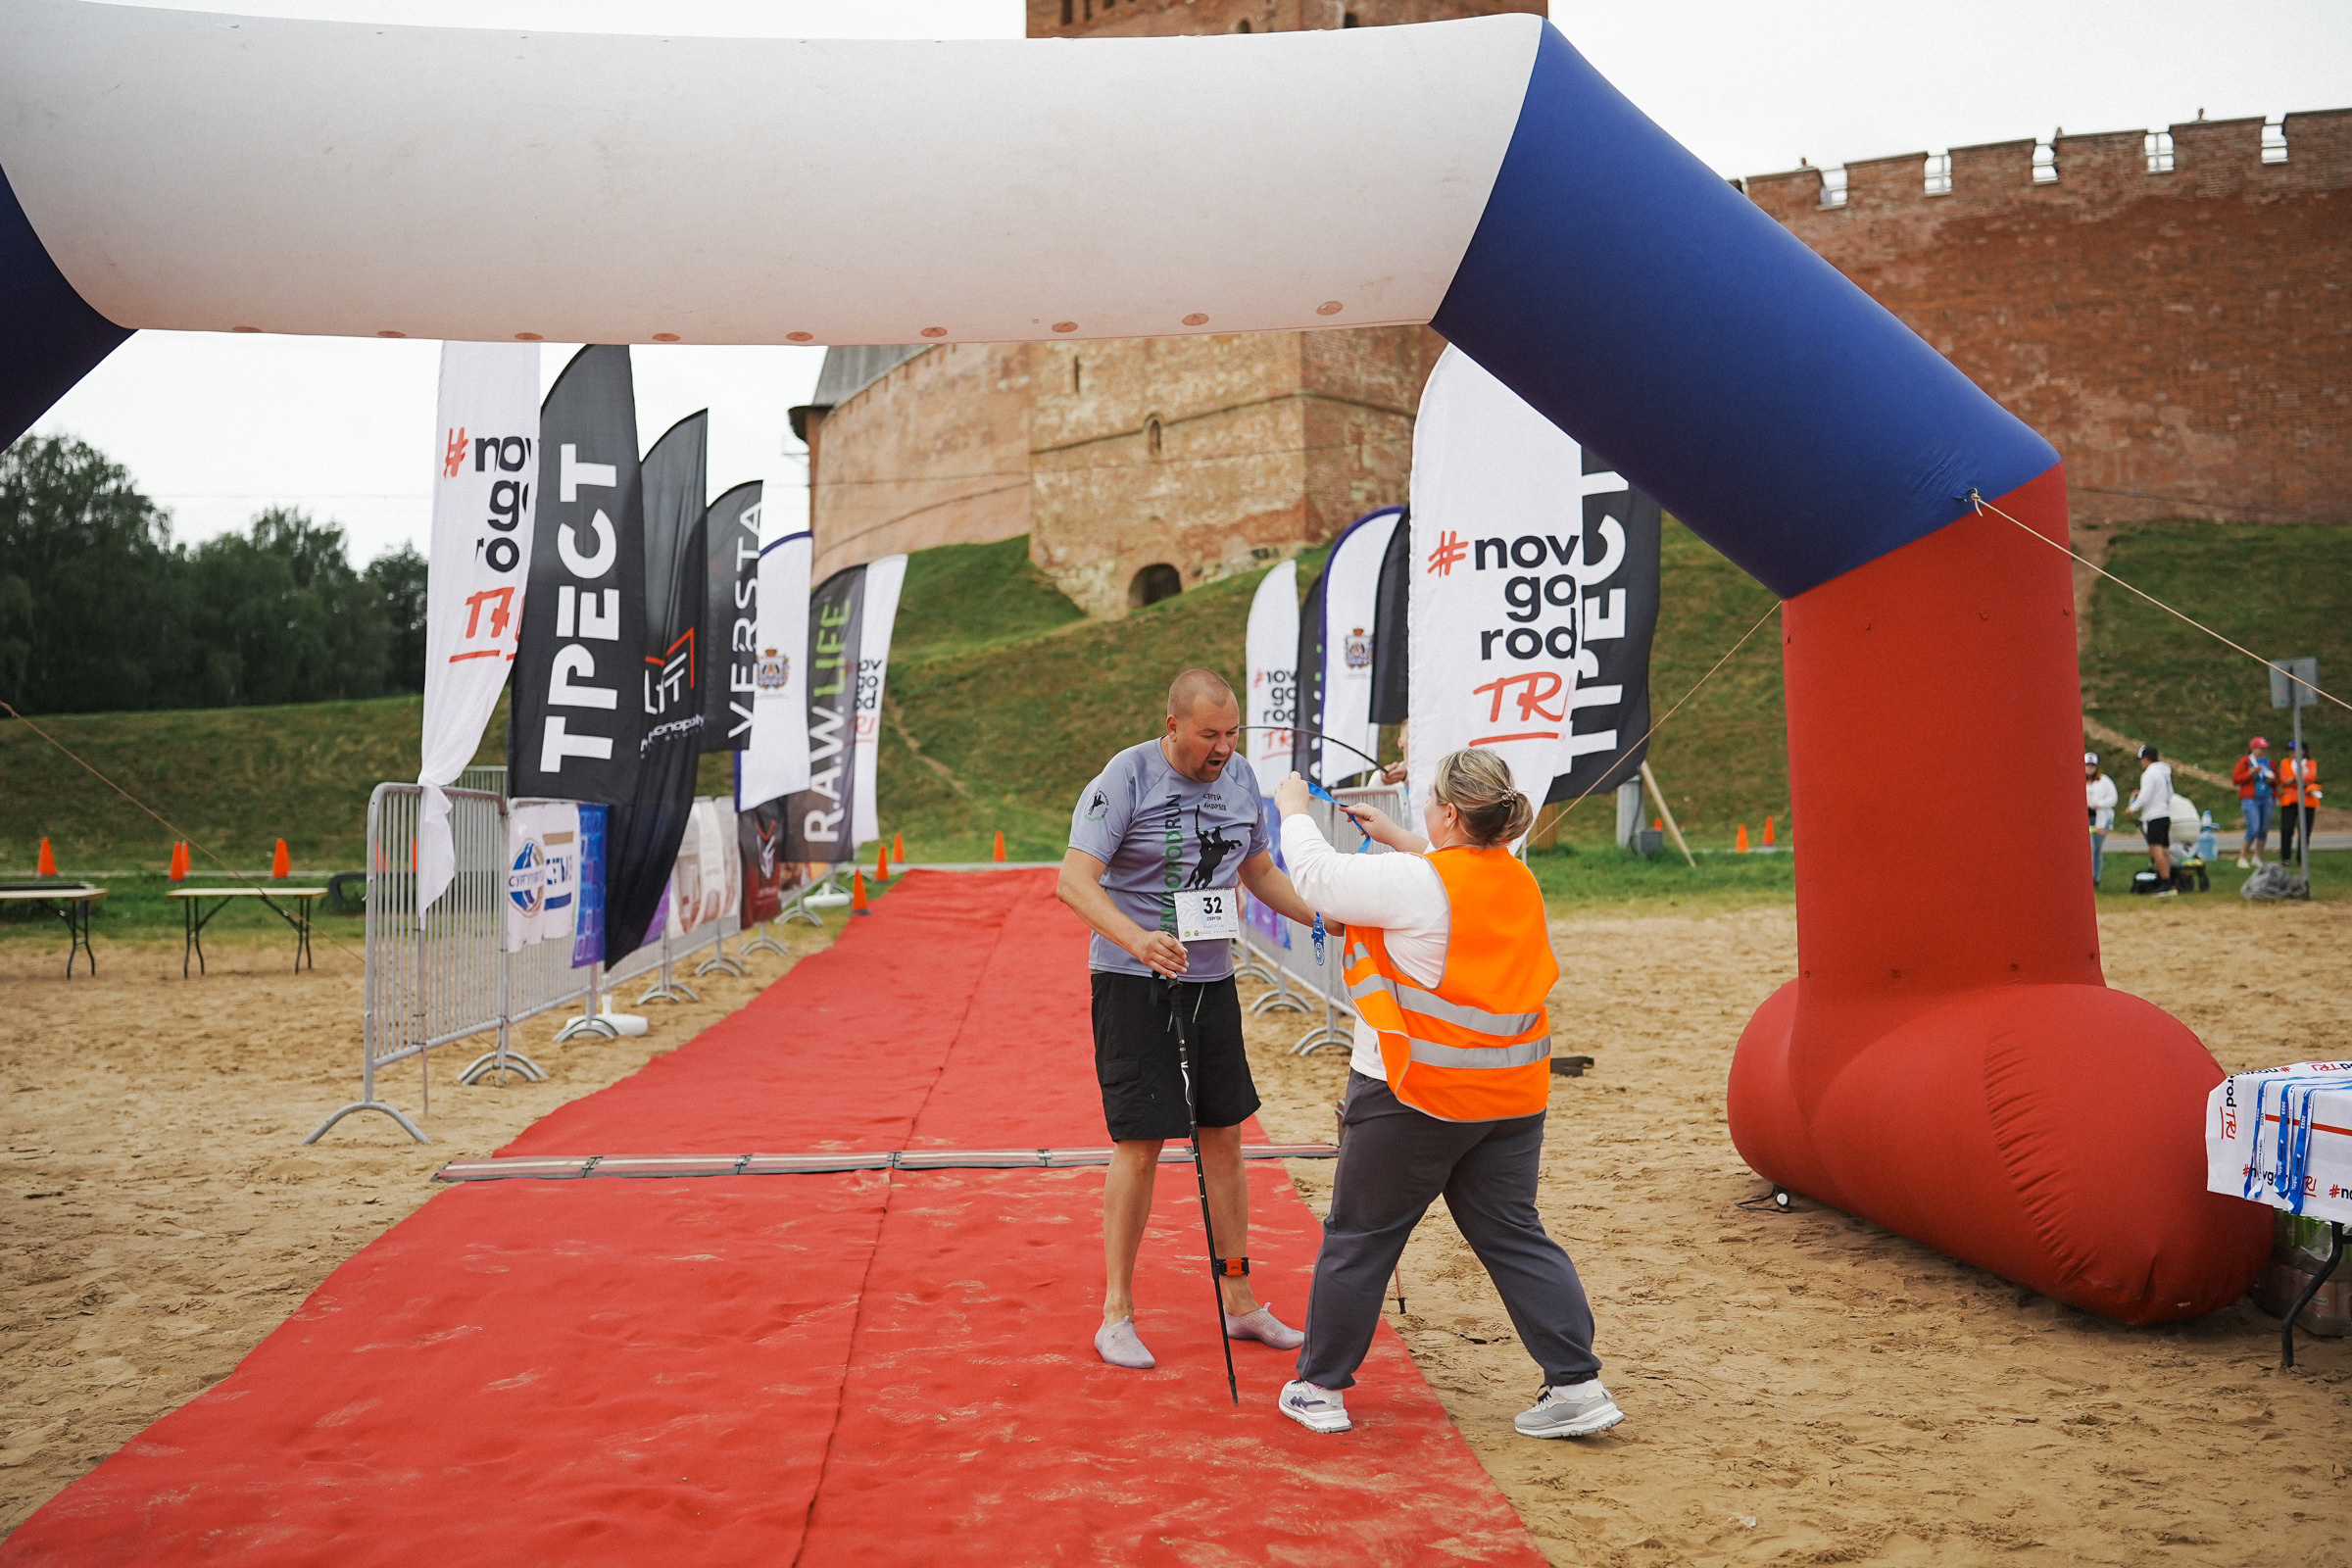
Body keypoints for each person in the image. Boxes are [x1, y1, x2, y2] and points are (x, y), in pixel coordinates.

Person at [1268, 749, 1620, 1442]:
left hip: (1414, 1096)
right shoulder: (1517, 878)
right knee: (1515, 1235)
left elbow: (1317, 876)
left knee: (1361, 1238)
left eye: (1429, 803)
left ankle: (1320, 1387)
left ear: (1452, 814)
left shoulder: (1416, 882)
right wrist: (1401, 840)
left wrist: (1291, 809)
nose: (1422, 811)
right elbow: (1448, 877)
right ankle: (1577, 1383)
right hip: (1512, 1099)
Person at [1058, 667, 1325, 1370]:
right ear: (1173, 726)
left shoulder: (1240, 781)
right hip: (1133, 978)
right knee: (1142, 1141)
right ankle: (1117, 1310)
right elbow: (1073, 880)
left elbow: (1258, 871)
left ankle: (1239, 1301)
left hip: (1211, 978)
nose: (1222, 748)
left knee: (1224, 1135)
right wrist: (1137, 938)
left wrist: (1328, 914)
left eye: (1231, 733)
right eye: (1209, 735)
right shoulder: (1127, 777)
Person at [2130, 743, 2177, 896]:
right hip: (2165, 813)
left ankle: (2165, 882)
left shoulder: (2149, 774)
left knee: (2155, 849)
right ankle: (2169, 880)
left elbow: (2146, 796)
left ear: (2146, 759)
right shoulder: (2164, 772)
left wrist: (2132, 808)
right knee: (2165, 849)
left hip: (2154, 815)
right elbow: (2169, 793)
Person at [2231, 735, 2275, 868]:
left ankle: (2257, 857)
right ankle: (2242, 857)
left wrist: (2272, 780)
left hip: (2267, 797)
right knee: (2253, 827)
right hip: (2250, 798)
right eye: (2260, 748)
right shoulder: (2245, 761)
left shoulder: (2269, 762)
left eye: (2264, 749)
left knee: (2264, 828)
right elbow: (2236, 779)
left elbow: (2276, 779)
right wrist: (2249, 774)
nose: (2263, 751)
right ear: (2253, 749)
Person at [2278, 740, 2321, 866]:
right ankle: (2285, 858)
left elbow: (2311, 777)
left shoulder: (2311, 763)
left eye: (2296, 750)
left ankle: (2301, 859)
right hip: (2289, 801)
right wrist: (2300, 779)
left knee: (2305, 830)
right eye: (2291, 750)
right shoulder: (2285, 763)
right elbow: (2285, 779)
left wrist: (2296, 779)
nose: (2293, 753)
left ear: (2303, 751)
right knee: (2286, 829)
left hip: (2307, 801)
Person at [2085, 753, 2117, 887]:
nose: (2090, 768)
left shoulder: (2104, 781)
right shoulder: (2078, 780)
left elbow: (2113, 798)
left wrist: (2100, 804)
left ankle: (2096, 877)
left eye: (2092, 766)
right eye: (2087, 765)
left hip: (2100, 820)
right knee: (2090, 848)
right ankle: (2089, 876)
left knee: (2097, 849)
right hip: (2086, 820)